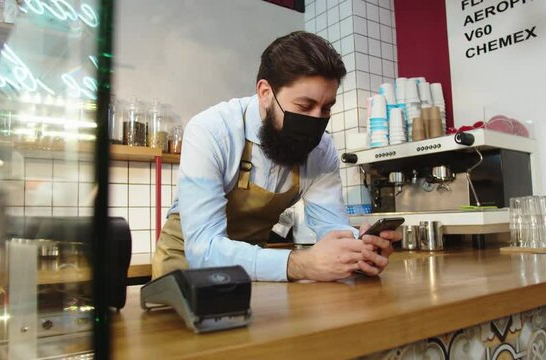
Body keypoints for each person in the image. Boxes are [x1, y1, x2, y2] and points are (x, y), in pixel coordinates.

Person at [151, 31, 401, 282]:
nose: (315, 120)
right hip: (186, 270)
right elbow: (203, 250)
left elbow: (332, 226)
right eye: (304, 106)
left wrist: (358, 249)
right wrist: (299, 264)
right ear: (265, 92)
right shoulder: (211, 131)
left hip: (256, 274)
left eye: (326, 108)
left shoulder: (322, 150)